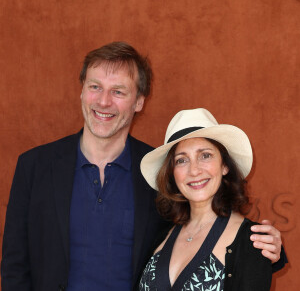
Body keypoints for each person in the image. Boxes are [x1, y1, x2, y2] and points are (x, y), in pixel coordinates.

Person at [1, 42, 285, 291]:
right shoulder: (34, 166)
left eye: (118, 91)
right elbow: (14, 265)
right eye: (95, 87)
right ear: (82, 91)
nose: (103, 101)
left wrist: (267, 251)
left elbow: (207, 228)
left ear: (139, 102)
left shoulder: (160, 176)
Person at [139, 108, 281, 291]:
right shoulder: (161, 234)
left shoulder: (252, 243)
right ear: (172, 173)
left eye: (205, 155)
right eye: (182, 160)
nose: (194, 170)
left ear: (224, 166)